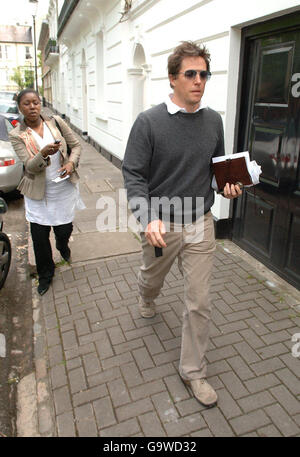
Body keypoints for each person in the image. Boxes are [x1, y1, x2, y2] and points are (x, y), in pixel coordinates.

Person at [122, 41, 242, 408]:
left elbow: (217, 168)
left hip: (201, 223)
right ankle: (146, 294)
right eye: (190, 74)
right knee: (152, 277)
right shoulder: (149, 122)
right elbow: (134, 175)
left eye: (203, 74)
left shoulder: (213, 120)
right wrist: (147, 217)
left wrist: (228, 185)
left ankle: (193, 371)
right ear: (172, 78)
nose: (198, 81)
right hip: (162, 223)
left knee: (199, 301)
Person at [9, 88, 83, 296]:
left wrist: (70, 162)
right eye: (27, 103)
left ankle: (63, 245)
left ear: (40, 104)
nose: (32, 107)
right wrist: (42, 153)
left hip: (63, 188)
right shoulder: (17, 135)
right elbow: (29, 166)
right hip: (38, 193)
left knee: (63, 229)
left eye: (35, 102)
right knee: (39, 237)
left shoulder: (56, 122)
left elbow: (76, 145)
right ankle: (45, 274)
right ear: (20, 107)